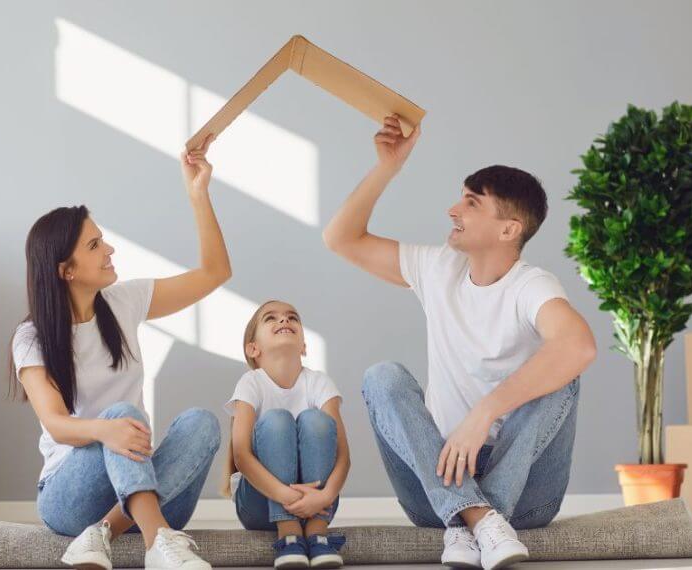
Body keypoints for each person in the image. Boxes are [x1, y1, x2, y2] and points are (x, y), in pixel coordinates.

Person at [322, 116, 597, 570]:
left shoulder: (532, 286)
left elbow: (579, 346)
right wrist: (387, 167)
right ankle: (477, 519)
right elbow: (341, 238)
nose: (453, 209)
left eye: (471, 203)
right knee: (381, 377)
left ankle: (471, 520)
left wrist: (484, 412)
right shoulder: (438, 268)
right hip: (438, 479)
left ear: (509, 230)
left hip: (528, 494)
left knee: (564, 377)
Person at [11, 137, 230, 570]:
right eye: (94, 246)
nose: (109, 249)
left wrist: (198, 194)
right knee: (119, 415)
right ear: (65, 270)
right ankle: (158, 543)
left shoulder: (123, 302)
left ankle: (110, 534)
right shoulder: (32, 337)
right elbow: (56, 424)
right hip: (69, 497)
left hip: (143, 488)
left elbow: (215, 272)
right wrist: (107, 431)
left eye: (102, 240)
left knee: (201, 424)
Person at [224, 300, 351, 569]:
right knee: (277, 419)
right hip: (260, 502)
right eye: (271, 318)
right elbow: (241, 456)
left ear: (304, 346)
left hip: (319, 504)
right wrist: (286, 497)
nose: (284, 321)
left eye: (292, 317)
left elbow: (343, 457)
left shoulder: (319, 382)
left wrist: (326, 497)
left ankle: (317, 535)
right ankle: (288, 533)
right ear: (253, 348)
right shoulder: (251, 383)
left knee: (317, 420)